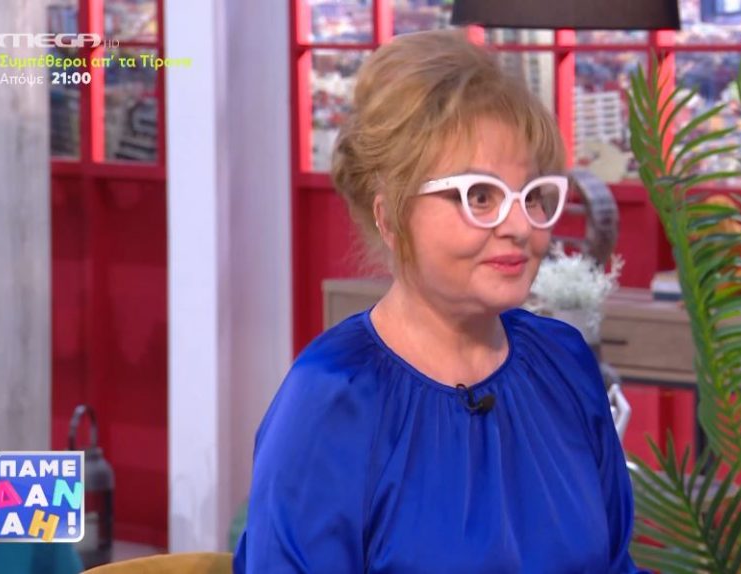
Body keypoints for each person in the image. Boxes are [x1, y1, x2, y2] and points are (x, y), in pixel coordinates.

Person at [234, 29, 642, 573]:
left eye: (532, 196)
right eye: (480, 196)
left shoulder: (563, 363)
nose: (520, 226)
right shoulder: (331, 401)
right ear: (390, 217)